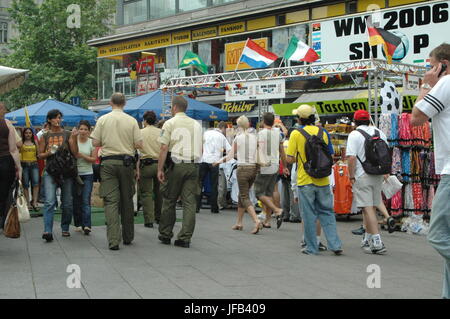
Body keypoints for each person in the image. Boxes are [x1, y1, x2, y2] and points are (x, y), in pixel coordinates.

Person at [411, 43, 450, 299]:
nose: (428, 69)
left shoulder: (445, 84)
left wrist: (426, 84)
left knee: (437, 235)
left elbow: (415, 117)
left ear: (442, 64)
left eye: (430, 64)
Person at [286, 104, 342, 255]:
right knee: (327, 212)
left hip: (305, 180)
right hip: (323, 179)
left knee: (309, 215)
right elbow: (330, 155)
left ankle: (311, 247)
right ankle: (335, 244)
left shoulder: (296, 134)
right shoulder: (323, 132)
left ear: (300, 119)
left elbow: (290, 159)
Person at [91, 93, 143, 250]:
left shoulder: (103, 119)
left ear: (110, 102)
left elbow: (95, 142)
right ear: (125, 103)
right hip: (126, 163)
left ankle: (113, 239)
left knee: (111, 201)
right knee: (127, 200)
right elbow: (139, 144)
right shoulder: (132, 120)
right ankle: (128, 236)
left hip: (108, 163)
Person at [157, 96, 203, 248]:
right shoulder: (196, 125)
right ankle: (185, 237)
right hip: (194, 165)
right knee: (189, 202)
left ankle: (165, 233)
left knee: (169, 199)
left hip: (176, 165)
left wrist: (160, 169)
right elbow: (201, 148)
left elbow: (163, 148)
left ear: (174, 107)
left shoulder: (170, 123)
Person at [346, 109, 388, 254]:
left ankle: (377, 241)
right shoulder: (379, 132)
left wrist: (351, 176)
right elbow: (386, 153)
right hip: (377, 174)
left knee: (367, 208)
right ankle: (367, 238)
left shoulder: (354, 134)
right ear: (369, 119)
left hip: (362, 174)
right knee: (374, 206)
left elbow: (351, 158)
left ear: (355, 121)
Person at [214, 115, 262, 234]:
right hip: (253, 168)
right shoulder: (255, 137)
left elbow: (230, 156)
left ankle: (256, 221)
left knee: (244, 196)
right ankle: (239, 222)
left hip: (242, 169)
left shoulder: (238, 138)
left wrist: (218, 162)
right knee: (242, 194)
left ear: (239, 126)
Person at [38, 109, 79, 242]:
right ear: (49, 120)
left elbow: (75, 153)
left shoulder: (67, 134)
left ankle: (65, 227)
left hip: (66, 172)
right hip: (51, 171)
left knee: (67, 203)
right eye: (55, 118)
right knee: (49, 202)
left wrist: (74, 138)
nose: (58, 120)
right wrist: (49, 152)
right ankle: (47, 230)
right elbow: (39, 155)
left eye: (59, 117)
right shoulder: (44, 136)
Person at [255, 113, 288, 229]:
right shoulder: (277, 134)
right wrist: (284, 166)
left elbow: (257, 150)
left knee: (258, 193)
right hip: (275, 165)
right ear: (273, 121)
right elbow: (282, 151)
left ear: (263, 121)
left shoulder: (260, 134)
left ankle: (277, 210)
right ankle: (267, 220)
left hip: (264, 165)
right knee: (269, 193)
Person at [197, 121, 231, 214]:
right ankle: (214, 208)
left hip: (204, 160)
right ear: (223, 128)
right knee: (214, 185)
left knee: (200, 184)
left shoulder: (206, 133)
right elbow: (230, 151)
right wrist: (222, 159)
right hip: (215, 162)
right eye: (226, 130)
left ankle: (196, 207)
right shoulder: (222, 137)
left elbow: (199, 146)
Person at [138, 111, 162, 228]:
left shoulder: (140, 132)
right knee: (159, 193)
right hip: (159, 164)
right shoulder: (161, 132)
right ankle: (159, 217)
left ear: (145, 121)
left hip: (145, 164)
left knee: (146, 193)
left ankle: (149, 220)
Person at [0, 102, 22, 229]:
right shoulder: (7, 124)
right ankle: (2, 219)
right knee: (4, 192)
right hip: (5, 161)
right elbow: (14, 149)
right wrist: (19, 167)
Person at [73, 120, 96, 235]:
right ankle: (77, 223)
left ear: (89, 131)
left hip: (88, 173)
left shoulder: (92, 143)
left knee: (85, 200)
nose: (83, 131)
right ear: (77, 130)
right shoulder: (73, 141)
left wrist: (82, 155)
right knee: (76, 200)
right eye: (81, 129)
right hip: (75, 174)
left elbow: (94, 159)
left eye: (85, 129)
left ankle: (87, 225)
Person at [19, 128, 39, 211]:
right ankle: (27, 203)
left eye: (30, 133)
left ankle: (34, 202)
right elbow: (17, 153)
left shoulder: (35, 142)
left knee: (36, 184)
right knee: (25, 185)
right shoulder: (21, 143)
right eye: (26, 133)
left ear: (32, 134)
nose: (28, 134)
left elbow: (39, 153)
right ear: (23, 134)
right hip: (24, 165)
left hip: (34, 164)